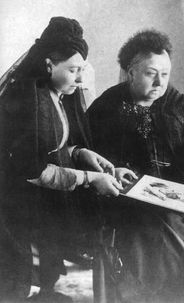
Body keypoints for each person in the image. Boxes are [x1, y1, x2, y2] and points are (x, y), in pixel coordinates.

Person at [88, 30, 184, 303]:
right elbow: (91, 153)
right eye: (150, 73)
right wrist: (112, 171)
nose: (159, 82)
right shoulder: (106, 107)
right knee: (153, 228)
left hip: (178, 192)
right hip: (125, 196)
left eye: (165, 75)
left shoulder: (177, 103)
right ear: (131, 73)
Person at [0, 17, 123, 303]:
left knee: (53, 227)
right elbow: (34, 168)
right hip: (8, 197)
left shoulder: (54, 94)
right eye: (72, 70)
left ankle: (45, 290)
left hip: (28, 189)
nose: (80, 79)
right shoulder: (30, 101)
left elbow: (51, 148)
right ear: (48, 66)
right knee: (12, 278)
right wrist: (91, 179)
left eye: (81, 69)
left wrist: (81, 153)